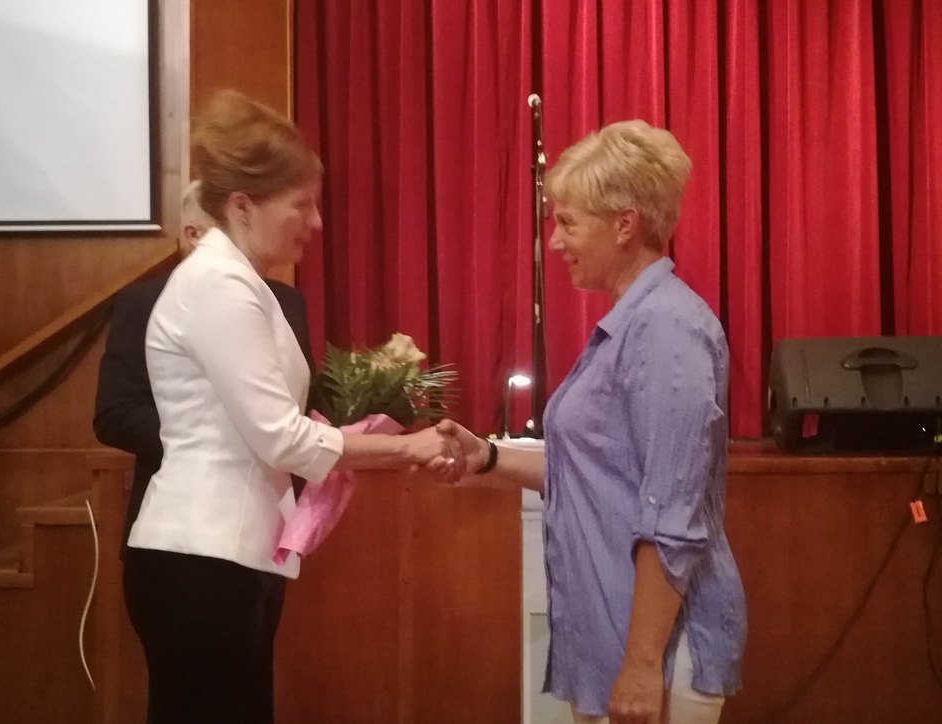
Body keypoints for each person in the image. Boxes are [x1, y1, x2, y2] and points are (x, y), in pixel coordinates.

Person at [121, 90, 462, 724]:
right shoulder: (220, 285)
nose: (316, 221)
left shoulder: (242, 283)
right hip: (200, 555)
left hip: (227, 553)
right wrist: (404, 445)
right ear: (242, 206)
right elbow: (281, 439)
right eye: (301, 204)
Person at [438, 120, 746, 724]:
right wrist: (489, 457)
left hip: (657, 655)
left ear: (624, 225)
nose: (555, 242)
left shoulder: (665, 329)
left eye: (568, 223)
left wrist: (641, 665)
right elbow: (601, 475)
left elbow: (672, 515)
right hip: (614, 640)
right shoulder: (632, 323)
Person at [93, 181, 316, 555]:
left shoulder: (286, 301)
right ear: (193, 235)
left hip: (267, 524)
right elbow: (115, 416)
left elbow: (297, 403)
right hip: (190, 525)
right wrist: (232, 436)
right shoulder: (144, 302)